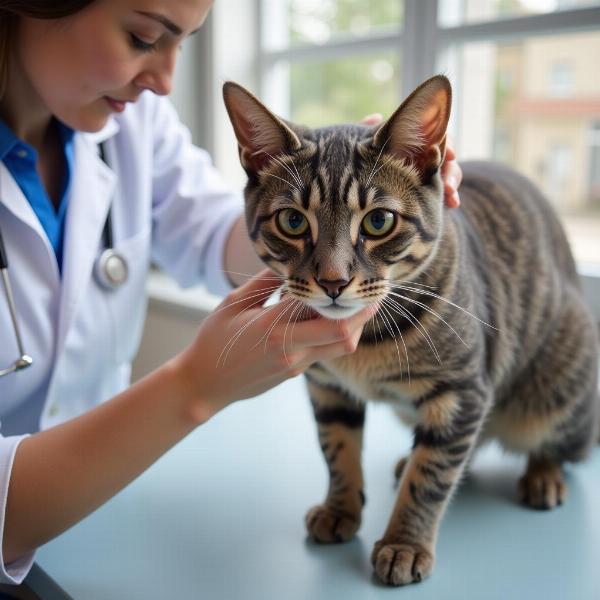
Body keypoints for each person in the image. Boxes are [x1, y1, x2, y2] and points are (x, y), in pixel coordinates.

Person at [0, 0, 463, 585]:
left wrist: (360, 193)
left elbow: (217, 231)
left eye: (184, 44)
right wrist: (194, 388)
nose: (166, 81)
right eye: (144, 37)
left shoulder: (132, 117)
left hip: (105, 515)